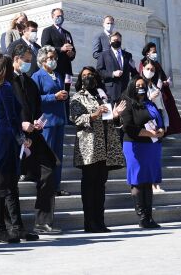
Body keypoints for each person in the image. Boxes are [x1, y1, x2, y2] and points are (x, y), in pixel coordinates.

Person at [0, 55, 39, 243]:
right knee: (3, 184)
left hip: (5, 136)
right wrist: (21, 139)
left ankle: (16, 227)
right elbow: (10, 117)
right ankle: (0, 229)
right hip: (8, 138)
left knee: (10, 185)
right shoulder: (6, 88)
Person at [10, 44, 59, 234]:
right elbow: (6, 112)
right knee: (9, 180)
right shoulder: (7, 82)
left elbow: (38, 109)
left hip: (34, 135)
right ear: (16, 59)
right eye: (26, 61)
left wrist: (39, 123)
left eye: (30, 62)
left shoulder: (30, 83)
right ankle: (11, 225)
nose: (28, 65)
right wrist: (20, 126)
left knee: (49, 167)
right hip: (15, 135)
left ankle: (43, 221)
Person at [70, 66, 126, 232]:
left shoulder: (102, 94)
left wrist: (115, 115)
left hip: (106, 144)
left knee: (101, 185)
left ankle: (100, 222)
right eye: (84, 75)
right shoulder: (78, 97)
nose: (88, 77)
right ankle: (90, 223)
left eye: (91, 74)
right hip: (89, 146)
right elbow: (76, 119)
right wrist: (94, 115)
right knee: (89, 184)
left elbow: (109, 119)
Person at [119, 76, 165, 228]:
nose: (141, 87)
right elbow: (128, 127)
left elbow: (160, 119)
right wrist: (151, 134)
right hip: (135, 145)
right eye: (137, 85)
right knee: (138, 180)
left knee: (148, 180)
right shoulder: (127, 103)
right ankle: (142, 217)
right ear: (132, 87)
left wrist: (161, 130)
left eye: (143, 85)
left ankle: (150, 216)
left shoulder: (150, 103)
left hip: (151, 146)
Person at [32, 45, 69, 196]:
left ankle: (56, 186)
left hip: (59, 119)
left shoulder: (58, 75)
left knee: (58, 156)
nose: (54, 61)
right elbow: (35, 98)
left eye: (55, 58)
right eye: (50, 58)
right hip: (46, 121)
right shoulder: (37, 76)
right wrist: (54, 96)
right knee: (46, 155)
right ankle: (44, 185)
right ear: (42, 59)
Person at [40, 8, 76, 92]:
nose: (60, 18)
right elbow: (45, 47)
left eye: (62, 16)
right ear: (53, 16)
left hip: (66, 68)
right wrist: (60, 49)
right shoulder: (48, 31)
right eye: (58, 16)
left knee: (66, 93)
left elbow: (73, 48)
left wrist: (72, 54)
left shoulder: (67, 33)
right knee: (56, 91)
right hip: (55, 67)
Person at [96, 30, 135, 102]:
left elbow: (133, 70)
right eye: (114, 40)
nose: (116, 41)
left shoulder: (128, 55)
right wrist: (112, 74)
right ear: (110, 42)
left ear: (121, 41)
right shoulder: (103, 55)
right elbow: (99, 71)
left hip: (125, 91)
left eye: (118, 40)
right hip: (111, 91)